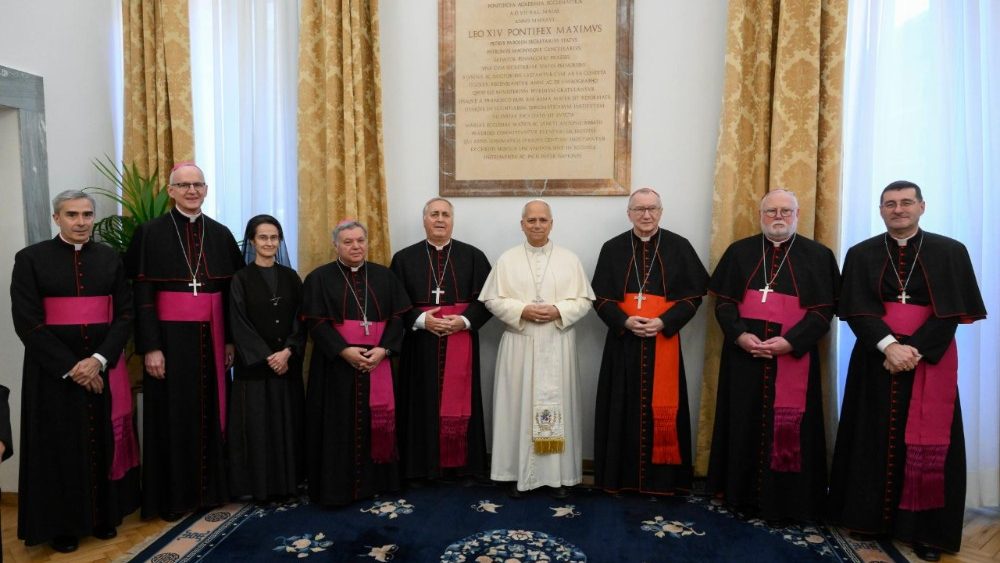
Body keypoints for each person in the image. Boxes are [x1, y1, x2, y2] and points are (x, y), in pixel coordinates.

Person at [829, 180, 986, 561]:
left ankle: (926, 533)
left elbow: (950, 312)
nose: (898, 209)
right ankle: (868, 519)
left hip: (929, 358)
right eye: (889, 204)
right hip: (875, 357)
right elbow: (857, 308)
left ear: (922, 206)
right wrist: (888, 346)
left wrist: (911, 350)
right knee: (870, 434)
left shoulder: (950, 252)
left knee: (931, 445)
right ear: (880, 210)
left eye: (905, 202)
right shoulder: (862, 253)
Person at [11, 190, 139, 552]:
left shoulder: (110, 258)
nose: (81, 222)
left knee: (102, 442)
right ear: (57, 219)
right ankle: (63, 526)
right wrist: (72, 367)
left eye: (86, 215)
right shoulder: (31, 259)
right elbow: (28, 323)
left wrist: (98, 360)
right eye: (72, 215)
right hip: (53, 374)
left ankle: (101, 518)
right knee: (60, 446)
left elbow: (125, 314)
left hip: (100, 368)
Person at [706, 189, 840, 521]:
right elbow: (723, 303)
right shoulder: (739, 253)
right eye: (771, 211)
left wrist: (791, 342)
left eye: (785, 211)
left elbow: (824, 312)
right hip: (744, 357)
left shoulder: (818, 256)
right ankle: (740, 495)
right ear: (760, 214)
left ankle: (788, 500)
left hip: (793, 356)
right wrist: (739, 335)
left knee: (792, 426)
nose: (778, 217)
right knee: (743, 421)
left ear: (797, 215)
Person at [125, 163, 244, 521]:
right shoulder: (150, 233)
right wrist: (151, 347)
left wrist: (230, 342)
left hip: (212, 337)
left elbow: (229, 295)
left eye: (198, 185)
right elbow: (142, 295)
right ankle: (174, 497)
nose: (192, 191)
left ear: (206, 190)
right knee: (172, 416)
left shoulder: (220, 234)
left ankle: (211, 492)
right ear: (171, 191)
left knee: (211, 410)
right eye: (184, 185)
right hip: (169, 341)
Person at [591, 187, 709, 495]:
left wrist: (664, 322)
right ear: (628, 213)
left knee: (663, 409)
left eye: (652, 208)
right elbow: (600, 299)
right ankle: (619, 480)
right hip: (622, 344)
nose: (646, 214)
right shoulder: (612, 248)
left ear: (661, 211)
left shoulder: (679, 247)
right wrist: (624, 321)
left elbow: (694, 297)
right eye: (640, 209)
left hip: (663, 341)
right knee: (620, 407)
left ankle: (663, 483)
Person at [479, 200, 594, 499]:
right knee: (516, 406)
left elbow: (584, 301)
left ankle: (558, 477)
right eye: (531, 220)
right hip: (520, 342)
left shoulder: (569, 260)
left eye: (543, 220)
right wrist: (522, 310)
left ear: (552, 223)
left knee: (559, 407)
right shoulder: (507, 259)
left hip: (558, 342)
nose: (537, 225)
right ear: (522, 224)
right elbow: (492, 300)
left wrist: (557, 310)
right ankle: (516, 473)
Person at [301, 220, 411, 506]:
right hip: (336, 366)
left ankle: (377, 483)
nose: (355, 246)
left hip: (378, 361)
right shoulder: (320, 278)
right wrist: (343, 350)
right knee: (338, 425)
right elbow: (315, 322)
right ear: (335, 244)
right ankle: (339, 487)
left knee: (376, 422)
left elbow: (398, 318)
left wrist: (384, 349)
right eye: (348, 241)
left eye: (360, 240)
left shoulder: (384, 277)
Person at [390, 198, 493, 483]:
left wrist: (464, 321)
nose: (439, 219)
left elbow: (488, 300)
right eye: (433, 214)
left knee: (463, 402)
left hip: (461, 339)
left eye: (445, 214)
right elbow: (394, 304)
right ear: (424, 220)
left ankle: (462, 467)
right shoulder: (403, 258)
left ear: (452, 220)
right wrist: (422, 320)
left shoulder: (473, 256)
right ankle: (421, 467)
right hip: (420, 344)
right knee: (419, 401)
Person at [228, 215, 305, 501]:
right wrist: (266, 356)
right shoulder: (241, 279)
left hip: (287, 364)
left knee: (288, 424)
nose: (269, 243)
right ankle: (259, 488)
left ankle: (289, 484)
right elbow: (238, 321)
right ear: (252, 241)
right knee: (258, 427)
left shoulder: (291, 277)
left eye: (274, 237)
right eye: (263, 237)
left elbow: (301, 317)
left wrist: (287, 351)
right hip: (256, 370)